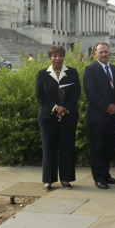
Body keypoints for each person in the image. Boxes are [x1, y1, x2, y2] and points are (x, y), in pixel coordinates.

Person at [34, 46, 81, 191]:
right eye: (54, 56)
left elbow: (76, 93)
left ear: (64, 57)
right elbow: (40, 96)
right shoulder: (42, 74)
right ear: (50, 57)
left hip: (68, 115)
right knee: (49, 147)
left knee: (67, 147)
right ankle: (48, 180)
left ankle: (66, 179)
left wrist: (65, 109)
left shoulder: (72, 72)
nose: (57, 58)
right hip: (48, 116)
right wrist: (55, 108)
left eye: (60, 56)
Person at [83, 42, 115, 189]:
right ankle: (98, 177)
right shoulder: (90, 69)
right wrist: (106, 107)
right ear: (95, 54)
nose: (104, 54)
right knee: (97, 148)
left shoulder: (114, 68)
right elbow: (91, 92)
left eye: (106, 52)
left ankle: (106, 174)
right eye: (101, 52)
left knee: (108, 147)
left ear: (109, 52)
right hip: (97, 117)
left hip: (113, 116)